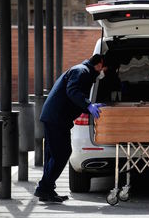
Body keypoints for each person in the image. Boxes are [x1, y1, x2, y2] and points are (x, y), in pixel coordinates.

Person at [34, 54, 108, 202]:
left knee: (52, 155)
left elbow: (73, 96)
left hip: (54, 118)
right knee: (61, 153)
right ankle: (44, 188)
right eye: (105, 68)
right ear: (99, 64)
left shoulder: (82, 71)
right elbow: (72, 91)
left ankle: (45, 189)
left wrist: (88, 107)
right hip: (56, 119)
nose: (104, 72)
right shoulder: (81, 71)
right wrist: (88, 104)